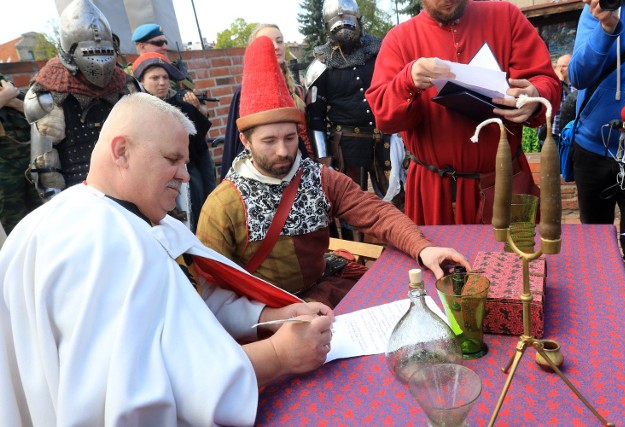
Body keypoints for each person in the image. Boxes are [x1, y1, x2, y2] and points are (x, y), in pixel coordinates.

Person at [0, 92, 334, 426]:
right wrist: (277, 355)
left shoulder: (136, 218)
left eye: (185, 162)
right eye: (172, 159)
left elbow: (192, 299)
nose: (186, 175)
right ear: (121, 151)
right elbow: (133, 399)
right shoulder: (96, 246)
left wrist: (269, 315)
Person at [197, 36, 471, 308]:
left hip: (324, 289)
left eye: (290, 138)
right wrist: (265, 321)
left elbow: (376, 213)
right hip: (267, 311)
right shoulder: (222, 205)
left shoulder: (319, 177)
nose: (283, 151)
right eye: (269, 141)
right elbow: (211, 290)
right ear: (246, 141)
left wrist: (423, 248)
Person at [365, 0, 561, 226]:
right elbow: (384, 116)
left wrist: (534, 96)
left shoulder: (506, 17)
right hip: (436, 191)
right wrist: (407, 81)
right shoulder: (399, 39)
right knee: (441, 259)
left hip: (506, 181)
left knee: (517, 259)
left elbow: (546, 82)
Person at [24, 0, 138, 202]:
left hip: (130, 186)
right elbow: (44, 168)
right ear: (70, 52)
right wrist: (61, 208)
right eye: (89, 53)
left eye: (103, 52)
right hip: (79, 196)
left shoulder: (127, 85)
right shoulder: (47, 95)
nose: (100, 64)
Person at [568, 0, 625, 309]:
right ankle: (599, 308)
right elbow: (578, 76)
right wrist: (606, 27)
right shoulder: (598, 8)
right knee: (594, 239)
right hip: (592, 148)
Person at [306, 0, 397, 240]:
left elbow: (396, 91)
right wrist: (323, 158)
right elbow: (315, 116)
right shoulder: (321, 65)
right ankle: (355, 263)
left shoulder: (379, 52)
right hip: (346, 144)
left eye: (349, 22)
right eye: (337, 24)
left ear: (358, 20)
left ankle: (398, 250)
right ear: (328, 26)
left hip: (384, 139)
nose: (344, 29)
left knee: (395, 198)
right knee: (350, 207)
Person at [132, 52, 216, 231]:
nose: (162, 82)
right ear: (142, 80)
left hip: (189, 176)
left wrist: (197, 108)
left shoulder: (183, 106)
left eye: (165, 77)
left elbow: (202, 153)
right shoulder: (134, 111)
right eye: (155, 78)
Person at [220, 23, 312, 179]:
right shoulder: (246, 92)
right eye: (269, 42)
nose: (276, 47)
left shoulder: (295, 88)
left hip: (302, 166)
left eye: (279, 41)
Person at [130, 23, 207, 116]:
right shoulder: (128, 76)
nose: (165, 47)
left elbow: (204, 112)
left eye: (165, 42)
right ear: (142, 46)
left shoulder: (177, 71)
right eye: (158, 43)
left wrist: (196, 107)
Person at [0, 77, 40, 234]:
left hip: (32, 161)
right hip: (5, 172)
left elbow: (37, 111)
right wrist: (5, 97)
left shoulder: (5, 83)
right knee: (15, 223)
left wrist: (11, 100)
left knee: (42, 212)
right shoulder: (7, 90)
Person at [539, 54, 575, 145]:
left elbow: (573, 101)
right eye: (558, 66)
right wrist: (558, 82)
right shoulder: (554, 84)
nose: (560, 70)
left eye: (563, 66)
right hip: (554, 132)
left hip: (571, 132)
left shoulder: (577, 85)